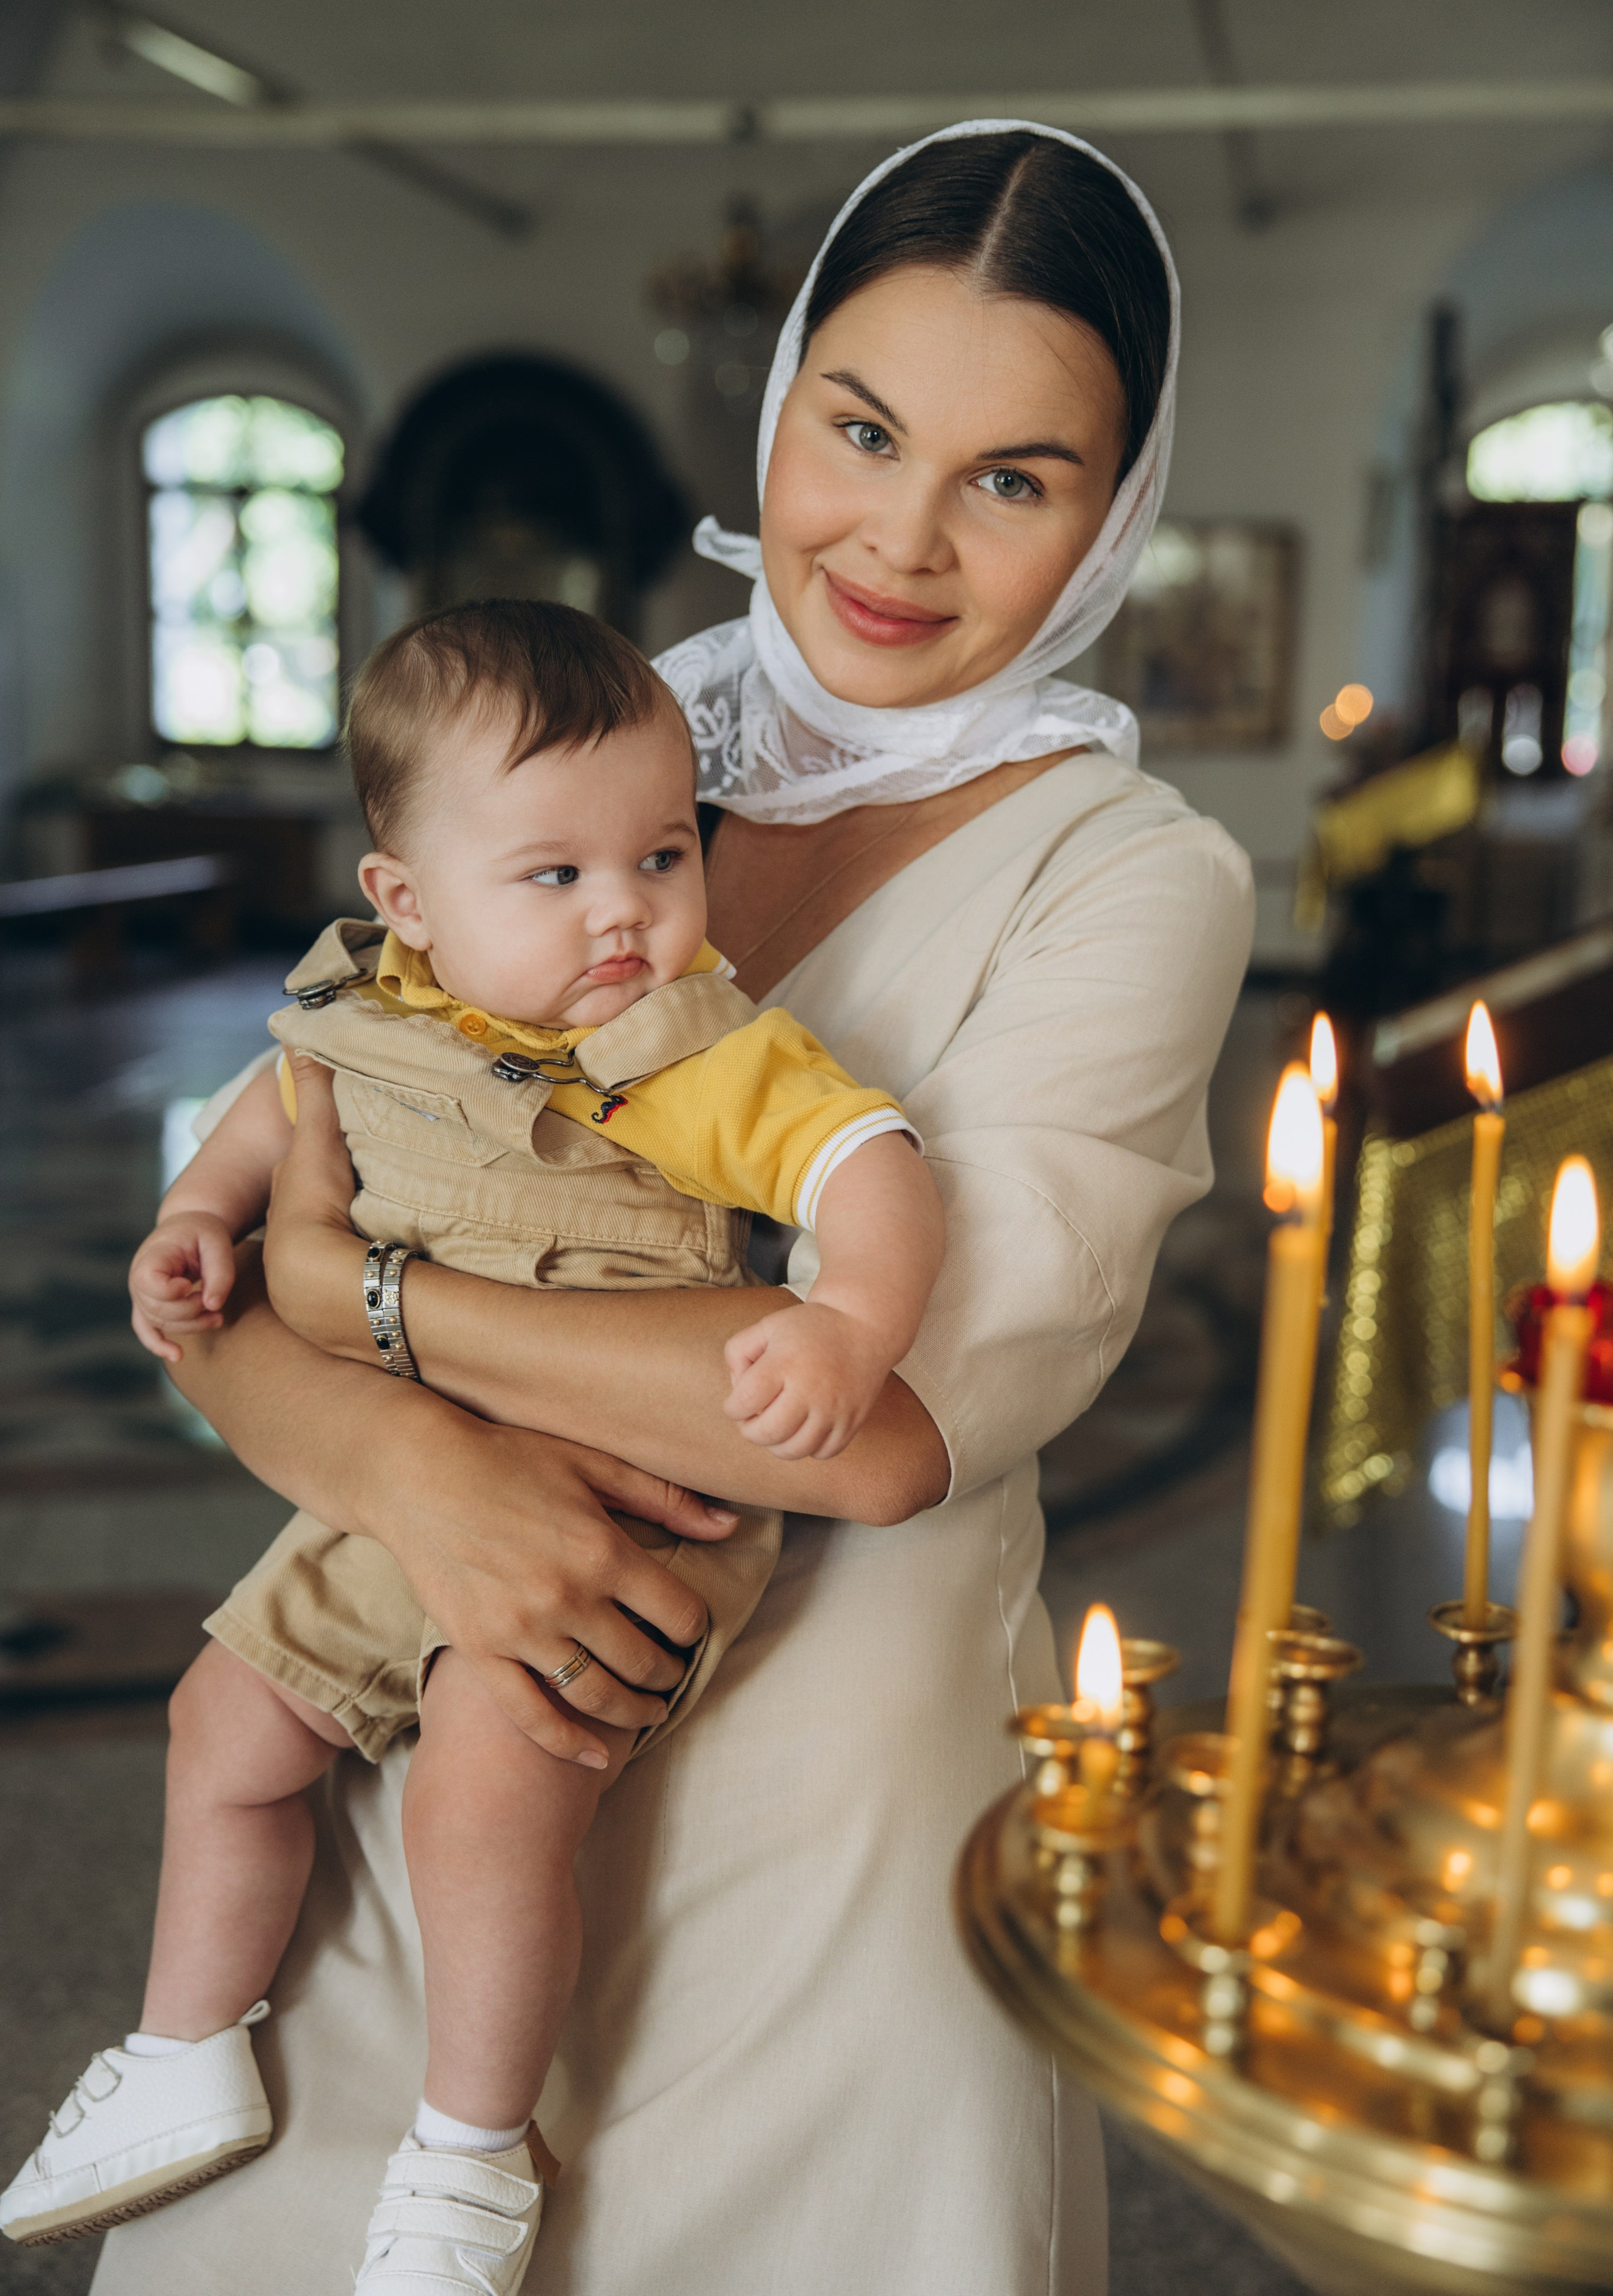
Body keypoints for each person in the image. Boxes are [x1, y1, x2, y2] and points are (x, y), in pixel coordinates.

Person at [88, 122, 1254, 2296]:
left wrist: (381, 1303)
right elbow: (242, 1273)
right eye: (864, 427)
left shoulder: (1136, 873)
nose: (899, 538)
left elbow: (890, 1421)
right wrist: (419, 1476)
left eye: (1015, 476)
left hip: (826, 1803)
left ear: (1117, 512)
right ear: (783, 393)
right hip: (447, 1694)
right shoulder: (610, 731)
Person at [2, 603, 941, 2289]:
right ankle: (184, 2051)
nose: (628, 914)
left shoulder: (683, 1042)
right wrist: (197, 1219)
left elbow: (862, 1158)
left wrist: (851, 1319)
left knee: (485, 1772)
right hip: (408, 1470)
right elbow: (279, 1101)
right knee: (221, 1722)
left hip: (621, 1505)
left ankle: (470, 2153)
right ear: (406, 903)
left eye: (663, 853)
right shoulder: (375, 1002)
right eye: (557, 875)